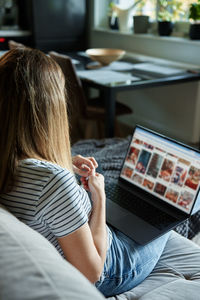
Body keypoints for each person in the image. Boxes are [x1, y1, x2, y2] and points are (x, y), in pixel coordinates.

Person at [0, 48, 170, 297]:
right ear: (50, 108)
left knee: (139, 206)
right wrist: (99, 199)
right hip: (113, 267)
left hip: (82, 233)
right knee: (169, 210)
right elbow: (93, 273)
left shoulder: (9, 160)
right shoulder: (53, 183)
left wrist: (65, 162)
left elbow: (28, 171)